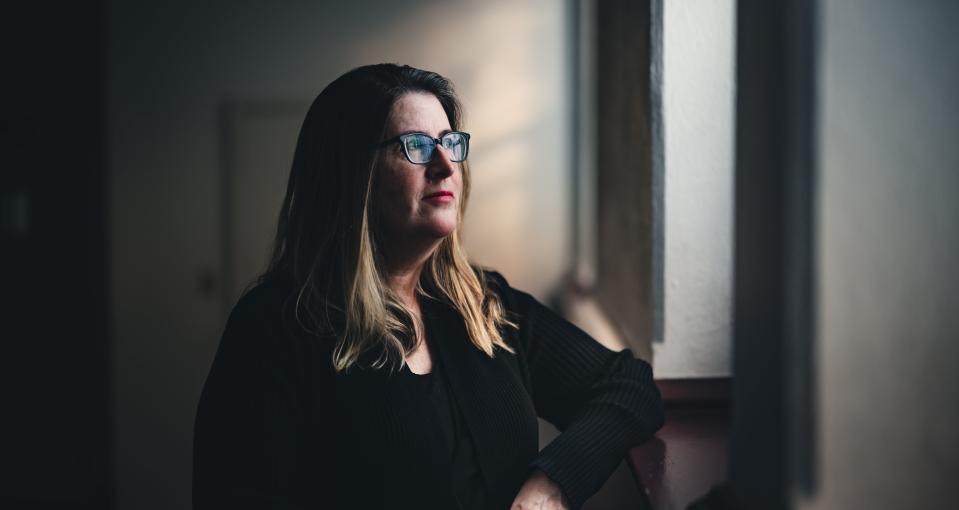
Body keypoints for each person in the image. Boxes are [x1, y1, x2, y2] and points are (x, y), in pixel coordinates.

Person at [192, 64, 664, 510]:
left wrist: (555, 481)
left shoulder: (483, 303)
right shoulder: (276, 327)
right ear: (352, 175)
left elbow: (629, 386)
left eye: (450, 143)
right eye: (415, 145)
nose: (444, 164)